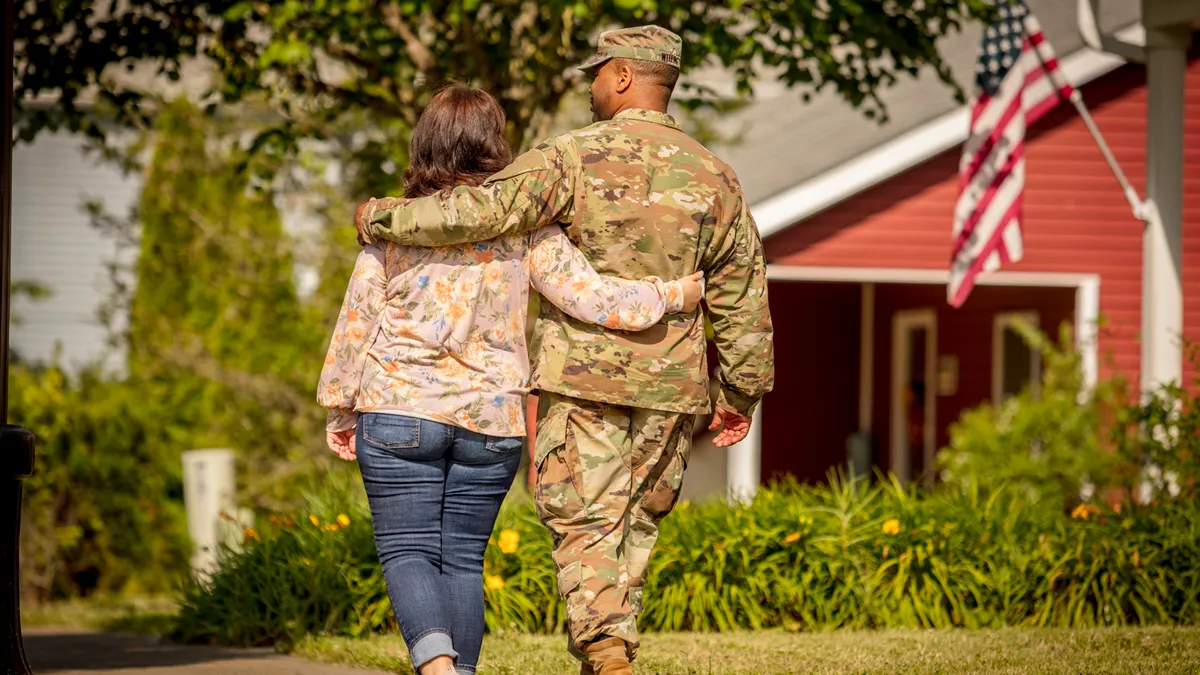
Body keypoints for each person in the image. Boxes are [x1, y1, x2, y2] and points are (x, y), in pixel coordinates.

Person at [354, 26, 774, 675]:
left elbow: (478, 211)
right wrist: (740, 392)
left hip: (586, 383)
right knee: (633, 530)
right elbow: (743, 295)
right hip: (672, 388)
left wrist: (383, 218)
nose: (590, 85)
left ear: (625, 76)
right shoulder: (717, 177)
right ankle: (607, 652)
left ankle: (607, 654)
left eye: (598, 72)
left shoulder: (571, 157)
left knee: (584, 526)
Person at [317, 84, 704, 675]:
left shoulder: (394, 228)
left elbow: (355, 328)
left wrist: (341, 409)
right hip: (491, 426)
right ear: (496, 148)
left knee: (408, 550)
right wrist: (673, 292)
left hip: (399, 411)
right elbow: (596, 300)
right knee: (464, 560)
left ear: (425, 145)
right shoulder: (528, 232)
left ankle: (438, 669)